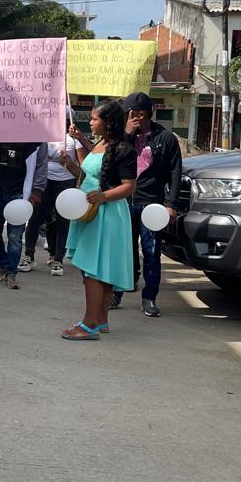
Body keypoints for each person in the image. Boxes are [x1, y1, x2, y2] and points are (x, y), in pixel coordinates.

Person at [59, 99, 137, 340]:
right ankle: (101, 320)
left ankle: (89, 324)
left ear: (108, 122)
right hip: (91, 210)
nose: (90, 122)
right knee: (99, 269)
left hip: (107, 213)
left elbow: (129, 187)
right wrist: (71, 164)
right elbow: (88, 174)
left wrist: (103, 196)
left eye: (94, 119)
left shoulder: (124, 149)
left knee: (93, 270)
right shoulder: (100, 144)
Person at [116, 91, 183, 317]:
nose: (126, 116)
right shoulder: (125, 136)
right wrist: (127, 134)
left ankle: (149, 297)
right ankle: (119, 291)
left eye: (129, 113)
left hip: (151, 205)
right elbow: (113, 159)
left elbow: (176, 173)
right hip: (125, 203)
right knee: (125, 250)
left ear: (140, 114)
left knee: (152, 251)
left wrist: (171, 204)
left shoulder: (165, 138)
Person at [0, 141, 42, 290]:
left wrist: (38, 190)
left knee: (15, 237)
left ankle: (11, 272)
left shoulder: (36, 139)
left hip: (20, 194)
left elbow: (41, 165)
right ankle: (1, 264)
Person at [22, 125, 81, 275]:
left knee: (62, 221)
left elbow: (82, 169)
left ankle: (58, 260)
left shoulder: (73, 141)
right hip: (44, 182)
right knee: (35, 219)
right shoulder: (42, 138)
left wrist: (69, 163)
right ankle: (28, 255)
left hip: (65, 183)